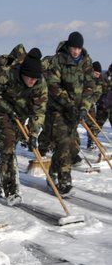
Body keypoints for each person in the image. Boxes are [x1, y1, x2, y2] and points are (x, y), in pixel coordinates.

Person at [0, 51, 47, 204]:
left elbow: (38, 111)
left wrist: (33, 133)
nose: (32, 81)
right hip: (2, 112)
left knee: (8, 148)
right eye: (30, 78)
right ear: (22, 73)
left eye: (35, 79)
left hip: (21, 115)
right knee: (7, 144)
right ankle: (12, 191)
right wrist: (8, 109)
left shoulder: (40, 84)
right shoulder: (6, 74)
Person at [44, 32, 94, 194]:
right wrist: (69, 104)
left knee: (71, 145)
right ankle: (64, 180)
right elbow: (53, 85)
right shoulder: (59, 60)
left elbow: (90, 86)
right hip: (58, 109)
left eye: (78, 48)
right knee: (64, 142)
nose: (76, 51)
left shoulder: (86, 61)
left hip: (76, 110)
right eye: (73, 48)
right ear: (68, 46)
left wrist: (84, 107)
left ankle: (52, 171)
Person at [85, 61, 107, 150]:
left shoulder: (100, 81)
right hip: (79, 103)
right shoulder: (84, 77)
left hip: (90, 104)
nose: (97, 75)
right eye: (96, 73)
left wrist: (90, 102)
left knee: (93, 124)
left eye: (99, 73)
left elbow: (97, 94)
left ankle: (92, 142)